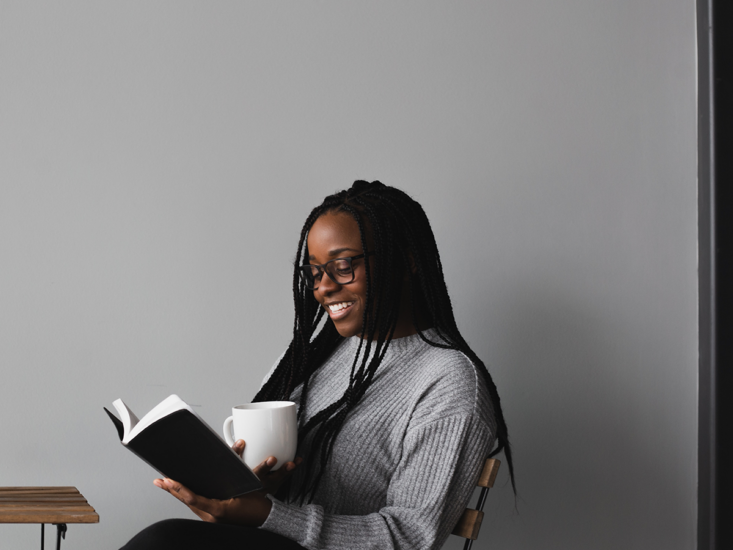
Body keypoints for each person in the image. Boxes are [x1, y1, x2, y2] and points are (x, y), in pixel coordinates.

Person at [121, 181, 514, 550]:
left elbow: (410, 538)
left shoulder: (449, 382)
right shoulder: (314, 358)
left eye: (343, 266)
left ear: (406, 261)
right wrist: (250, 491)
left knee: (164, 541)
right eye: (314, 271)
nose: (323, 286)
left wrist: (269, 514)